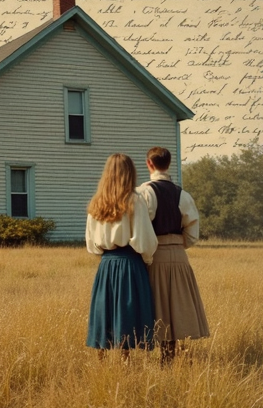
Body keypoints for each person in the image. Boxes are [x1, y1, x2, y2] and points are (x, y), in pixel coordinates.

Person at [137, 146, 210, 365]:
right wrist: (177, 245)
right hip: (179, 255)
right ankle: (171, 357)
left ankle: (164, 360)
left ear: (149, 163)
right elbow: (192, 233)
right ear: (168, 164)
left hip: (154, 254)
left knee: (158, 308)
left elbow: (141, 228)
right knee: (177, 308)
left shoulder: (143, 192)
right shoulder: (183, 195)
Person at [85, 153, 158, 361]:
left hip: (106, 264)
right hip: (129, 263)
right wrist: (147, 261)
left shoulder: (96, 203)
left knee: (104, 311)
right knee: (127, 314)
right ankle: (125, 365)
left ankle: (102, 363)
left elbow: (92, 244)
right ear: (130, 173)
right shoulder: (135, 201)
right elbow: (145, 241)